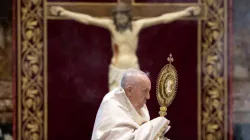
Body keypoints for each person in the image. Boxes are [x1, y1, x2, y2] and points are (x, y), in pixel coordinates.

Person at [50, 2, 201, 91]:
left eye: (123, 16)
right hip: (116, 68)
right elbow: (88, 19)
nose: (120, 18)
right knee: (115, 103)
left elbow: (162, 19)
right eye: (118, 16)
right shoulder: (111, 26)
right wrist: (65, 12)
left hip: (133, 68)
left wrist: (185, 12)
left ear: (128, 17)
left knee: (135, 103)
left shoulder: (137, 26)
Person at [91, 69, 171, 140]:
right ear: (129, 90)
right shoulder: (112, 105)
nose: (148, 97)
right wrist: (155, 125)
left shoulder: (140, 107)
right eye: (144, 91)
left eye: (149, 91)